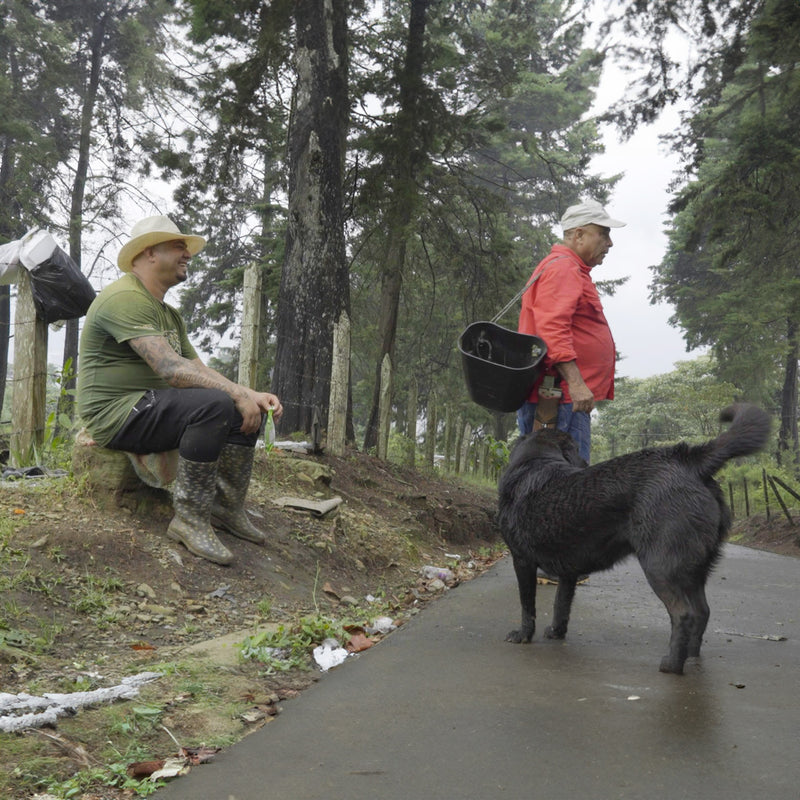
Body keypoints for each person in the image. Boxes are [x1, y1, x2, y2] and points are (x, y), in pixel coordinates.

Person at [77, 214, 283, 566]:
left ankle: (224, 507)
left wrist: (250, 393)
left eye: (187, 248)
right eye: (178, 246)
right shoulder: (125, 297)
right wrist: (233, 394)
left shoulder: (169, 315)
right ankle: (188, 519)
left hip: (151, 406)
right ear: (148, 253)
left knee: (236, 406)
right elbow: (171, 369)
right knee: (217, 404)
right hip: (116, 413)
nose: (188, 253)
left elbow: (198, 369)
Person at [517, 199, 626, 464]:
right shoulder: (563, 268)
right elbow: (553, 329)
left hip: (562, 396)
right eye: (603, 233)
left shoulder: (567, 268)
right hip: (560, 398)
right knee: (564, 483)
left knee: (553, 478)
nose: (609, 243)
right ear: (578, 234)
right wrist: (577, 384)